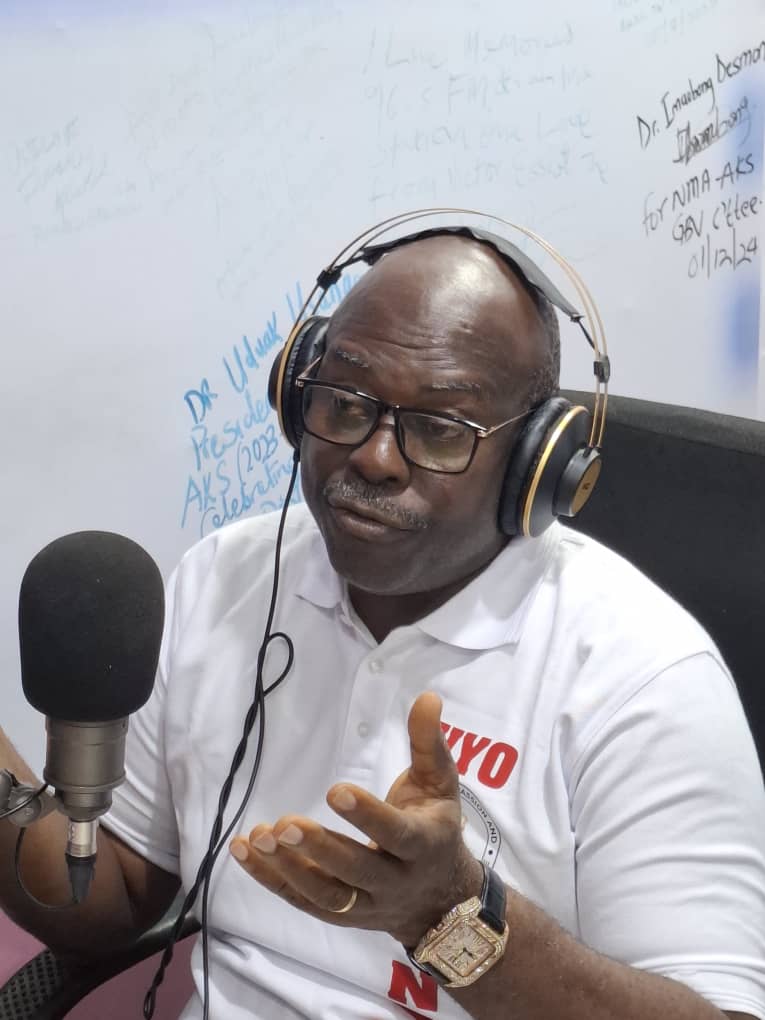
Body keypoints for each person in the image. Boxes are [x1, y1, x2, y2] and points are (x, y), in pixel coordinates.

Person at [1, 232, 764, 1020]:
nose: (374, 458)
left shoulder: (642, 677)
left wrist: (448, 912)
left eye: (440, 428)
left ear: (538, 464)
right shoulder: (226, 579)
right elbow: (111, 896)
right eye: (345, 403)